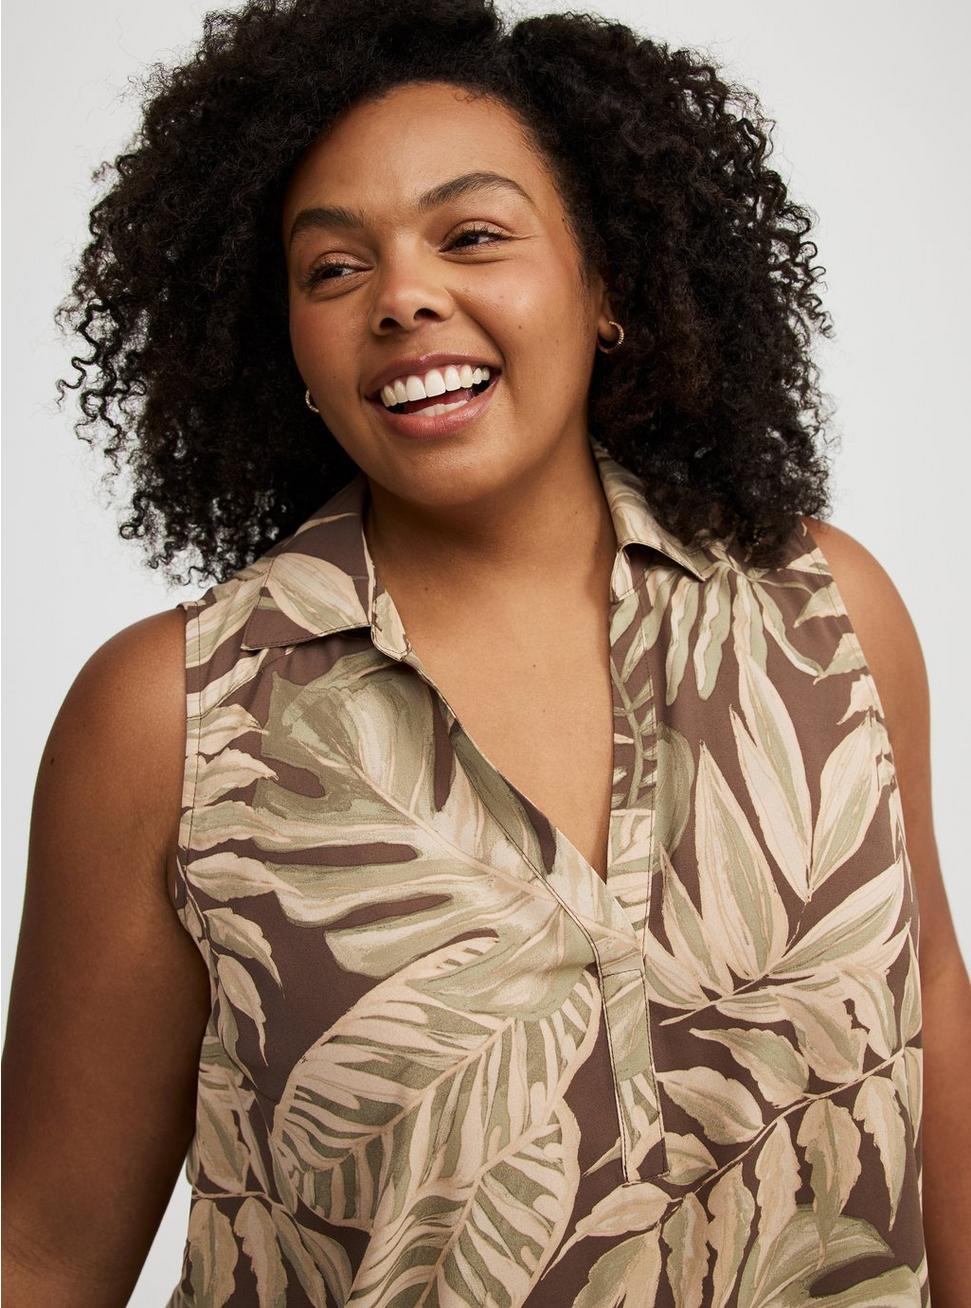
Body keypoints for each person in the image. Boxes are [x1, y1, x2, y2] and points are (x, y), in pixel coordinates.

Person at [3, 0, 969, 1303]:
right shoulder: (173, 719)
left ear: (606, 282)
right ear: (285, 345)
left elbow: (931, 1034)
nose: (402, 296)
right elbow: (43, 1246)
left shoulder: (827, 618)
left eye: (471, 236)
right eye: (333, 269)